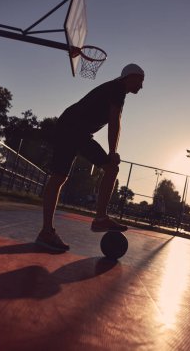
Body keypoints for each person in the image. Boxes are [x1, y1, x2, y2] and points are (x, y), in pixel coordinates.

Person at [36, 63, 145, 251]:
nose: (141, 86)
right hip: (72, 128)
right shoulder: (118, 88)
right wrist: (112, 152)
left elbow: (113, 119)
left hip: (71, 127)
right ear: (130, 76)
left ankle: (47, 232)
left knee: (59, 177)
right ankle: (100, 219)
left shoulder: (115, 89)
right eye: (140, 81)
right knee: (110, 167)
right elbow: (114, 120)